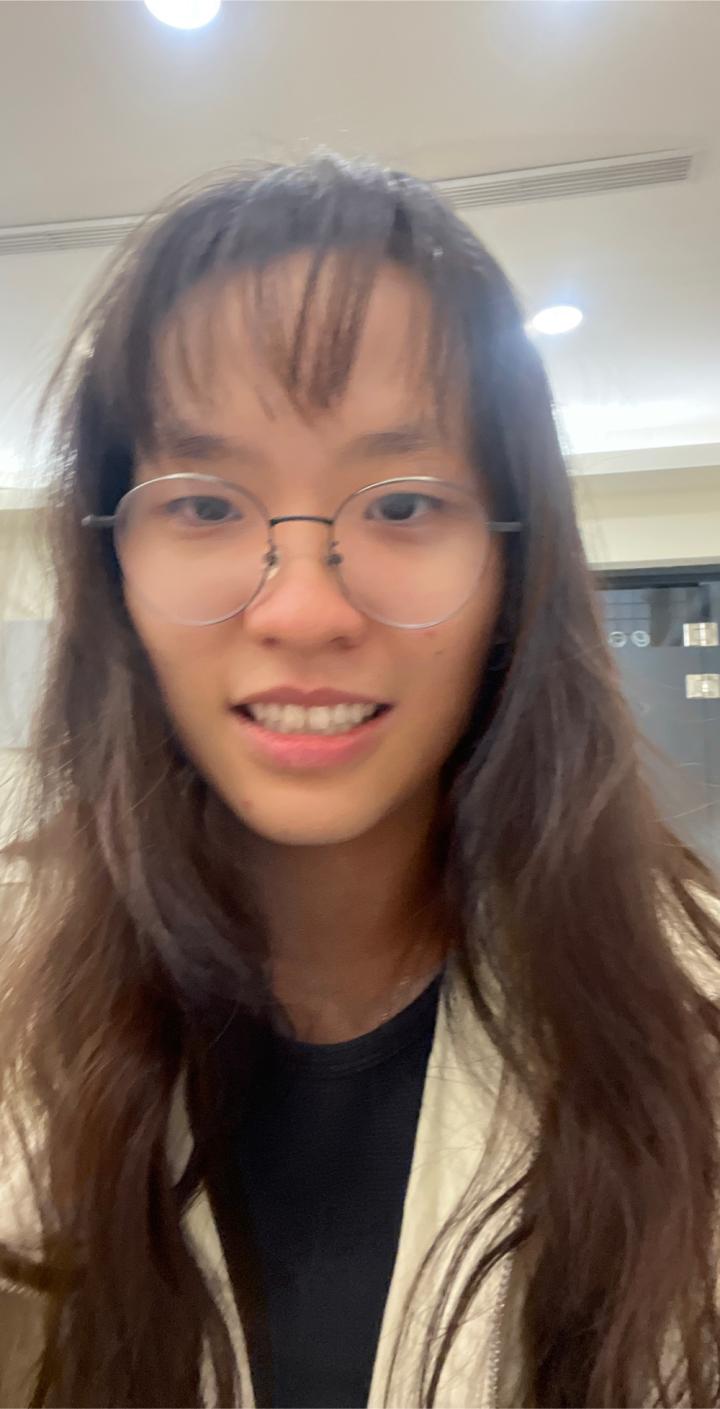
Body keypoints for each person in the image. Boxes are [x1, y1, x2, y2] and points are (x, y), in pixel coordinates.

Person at [1, 155, 719, 1409]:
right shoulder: (18, 988)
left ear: (513, 563)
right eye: (206, 504)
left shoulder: (692, 1025)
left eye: (401, 503)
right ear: (113, 563)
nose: (303, 610)